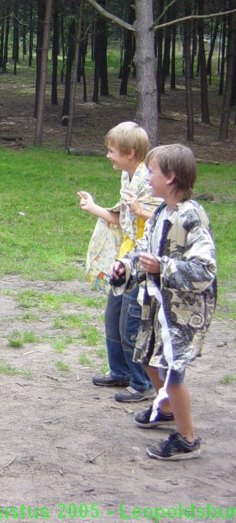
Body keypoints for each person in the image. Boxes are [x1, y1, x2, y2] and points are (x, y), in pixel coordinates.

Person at [110, 144, 216, 460]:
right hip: (157, 305)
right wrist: (125, 267)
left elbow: (204, 270)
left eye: (152, 171)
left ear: (169, 177)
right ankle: (166, 407)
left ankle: (187, 439)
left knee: (172, 370)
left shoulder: (191, 216)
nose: (147, 176)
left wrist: (164, 267)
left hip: (183, 311)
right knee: (147, 356)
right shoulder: (160, 211)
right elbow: (144, 248)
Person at [77, 121, 161, 403]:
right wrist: (93, 207)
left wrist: (139, 209)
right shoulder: (127, 177)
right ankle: (120, 372)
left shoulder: (148, 181)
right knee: (113, 317)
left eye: (112, 150)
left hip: (142, 262)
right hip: (123, 260)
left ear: (131, 152)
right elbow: (124, 220)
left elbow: (163, 221)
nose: (108, 155)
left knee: (131, 323)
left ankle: (142, 383)